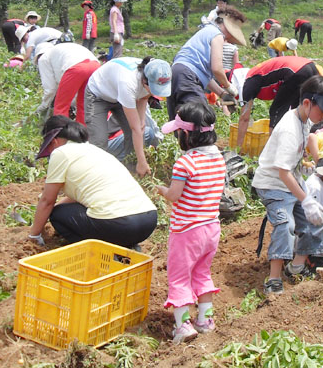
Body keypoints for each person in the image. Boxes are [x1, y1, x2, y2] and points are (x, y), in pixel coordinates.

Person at [252, 75, 323, 295]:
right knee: (286, 224)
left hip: (291, 179)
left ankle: (297, 267)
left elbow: (291, 163)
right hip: (273, 184)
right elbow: (282, 171)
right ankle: (274, 278)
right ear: (306, 103)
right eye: (322, 111)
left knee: (316, 220)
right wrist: (305, 200)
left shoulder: (306, 121)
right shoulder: (289, 129)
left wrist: (303, 166)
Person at [27, 115, 157, 249]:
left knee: (58, 215)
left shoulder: (61, 153)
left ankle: (104, 249)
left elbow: (47, 201)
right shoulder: (94, 150)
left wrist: (34, 235)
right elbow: (79, 194)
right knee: (62, 210)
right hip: (148, 220)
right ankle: (126, 245)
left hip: (120, 223)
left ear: (54, 141)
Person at [155, 102, 225, 344]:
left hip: (187, 230)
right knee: (202, 272)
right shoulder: (219, 158)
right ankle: (205, 320)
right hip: (211, 228)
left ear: (185, 134)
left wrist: (163, 190)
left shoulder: (185, 163)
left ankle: (183, 324)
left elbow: (175, 195)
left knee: (179, 277)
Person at [86, 57, 172, 176]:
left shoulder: (153, 73)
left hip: (119, 93)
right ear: (144, 81)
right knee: (99, 141)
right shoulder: (128, 83)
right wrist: (142, 161)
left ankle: (128, 168)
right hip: (98, 94)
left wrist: (141, 120)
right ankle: (96, 176)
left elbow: (143, 97)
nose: (155, 93)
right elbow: (135, 129)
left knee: (137, 131)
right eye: (154, 89)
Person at [168, 7, 246, 120]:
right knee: (200, 118)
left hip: (177, 72)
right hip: (187, 76)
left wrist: (222, 94)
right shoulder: (217, 35)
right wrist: (229, 87)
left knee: (181, 121)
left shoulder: (206, 31)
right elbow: (217, 69)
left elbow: (202, 74)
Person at [233, 56, 322, 149]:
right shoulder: (257, 74)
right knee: (300, 111)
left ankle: (272, 150)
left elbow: (244, 118)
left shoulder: (249, 83)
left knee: (276, 111)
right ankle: (300, 148)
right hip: (309, 65)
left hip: (296, 71)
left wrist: (238, 148)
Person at [35, 42, 100, 124]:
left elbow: (50, 89)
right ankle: (83, 132)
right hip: (95, 65)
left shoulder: (43, 58)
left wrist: (43, 107)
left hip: (76, 68)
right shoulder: (60, 50)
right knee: (83, 104)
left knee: (61, 106)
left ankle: (61, 132)